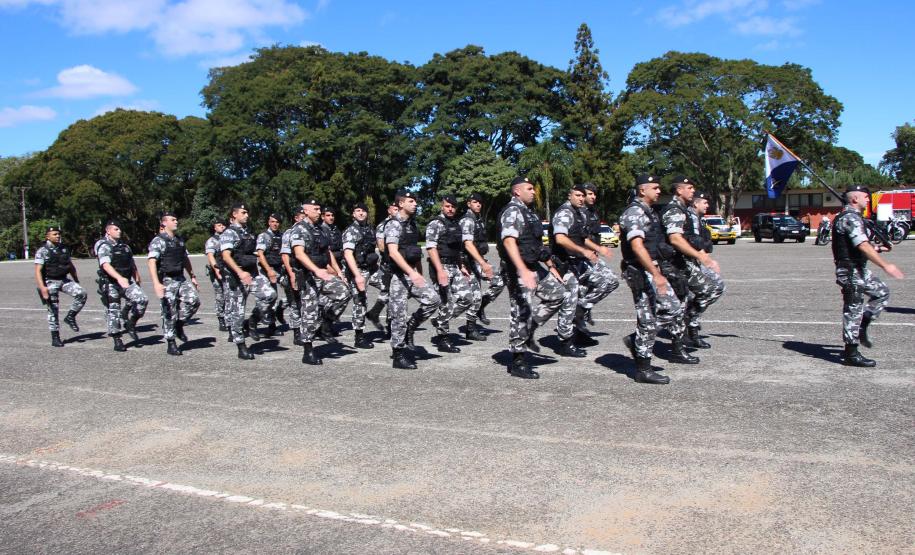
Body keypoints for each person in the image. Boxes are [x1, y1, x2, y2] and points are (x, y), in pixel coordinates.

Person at [498, 176, 579, 379]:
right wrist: (522, 270)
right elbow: (509, 242)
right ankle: (518, 360)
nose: (534, 192)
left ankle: (530, 328)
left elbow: (534, 244)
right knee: (521, 311)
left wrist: (550, 265)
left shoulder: (529, 213)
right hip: (518, 269)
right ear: (517, 191)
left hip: (535, 266)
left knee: (559, 294)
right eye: (529, 188)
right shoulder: (512, 211)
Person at [619, 174, 686, 384]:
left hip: (651, 269)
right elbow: (637, 246)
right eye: (655, 188)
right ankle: (643, 369)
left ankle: (637, 340)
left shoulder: (650, 213)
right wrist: (656, 275)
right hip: (640, 272)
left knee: (674, 308)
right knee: (649, 318)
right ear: (642, 190)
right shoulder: (634, 213)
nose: (659, 191)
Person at [832, 184, 904, 366]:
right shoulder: (849, 218)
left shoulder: (856, 217)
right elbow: (862, 245)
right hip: (850, 271)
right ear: (855, 199)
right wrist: (885, 265)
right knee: (853, 309)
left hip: (860, 269)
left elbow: (861, 245)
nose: (868, 199)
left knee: (881, 293)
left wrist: (879, 248)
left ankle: (863, 325)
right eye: (865, 196)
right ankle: (851, 353)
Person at [660, 177, 725, 353]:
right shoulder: (675, 210)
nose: (692, 190)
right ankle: (677, 343)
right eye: (689, 187)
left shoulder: (683, 211)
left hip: (684, 262)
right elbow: (676, 239)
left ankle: (689, 327)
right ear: (679, 190)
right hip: (673, 264)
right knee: (677, 305)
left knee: (712, 288)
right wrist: (701, 256)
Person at [290, 198, 352, 365]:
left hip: (322, 274)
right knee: (309, 312)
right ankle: (308, 350)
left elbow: (328, 251)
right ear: (306, 211)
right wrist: (316, 270)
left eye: (320, 209)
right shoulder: (298, 229)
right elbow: (299, 254)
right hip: (307, 275)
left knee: (344, 293)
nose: (319, 212)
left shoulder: (321, 229)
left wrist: (339, 272)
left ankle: (325, 320)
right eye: (316, 209)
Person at [385, 190, 442, 369]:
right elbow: (393, 252)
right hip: (397, 276)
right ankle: (398, 354)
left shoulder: (412, 225)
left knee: (433, 300)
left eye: (415, 201)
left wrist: (419, 273)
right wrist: (412, 273)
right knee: (398, 315)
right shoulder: (393, 225)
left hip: (411, 274)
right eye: (411, 201)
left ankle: (412, 326)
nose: (415, 204)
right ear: (401, 204)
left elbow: (414, 253)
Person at [221, 203, 277, 360]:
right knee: (237, 313)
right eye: (243, 212)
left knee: (270, 295)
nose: (247, 215)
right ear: (234, 215)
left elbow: (254, 254)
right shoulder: (229, 233)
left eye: (247, 212)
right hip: (237, 276)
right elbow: (226, 256)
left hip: (252, 273)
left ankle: (252, 321)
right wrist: (240, 272)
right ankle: (241, 345)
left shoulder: (248, 233)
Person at [568, 183, 620, 345]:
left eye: (593, 194)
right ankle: (579, 318)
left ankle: (580, 323)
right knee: (608, 282)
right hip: (579, 259)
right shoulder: (578, 212)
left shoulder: (592, 213)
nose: (592, 197)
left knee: (583, 295)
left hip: (589, 257)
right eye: (589, 194)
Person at [426, 194, 475, 352]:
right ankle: (443, 339)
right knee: (446, 302)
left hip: (454, 266)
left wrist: (462, 266)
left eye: (453, 206)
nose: (450, 209)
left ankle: (440, 320)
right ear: (442, 206)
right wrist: (440, 270)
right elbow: (431, 248)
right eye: (447, 206)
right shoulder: (435, 224)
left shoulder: (456, 224)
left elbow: (457, 249)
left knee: (468, 297)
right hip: (441, 266)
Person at [147, 212, 200, 356]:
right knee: (169, 312)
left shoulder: (179, 240)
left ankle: (179, 324)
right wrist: (156, 283)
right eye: (173, 219)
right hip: (166, 280)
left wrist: (192, 276)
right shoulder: (158, 241)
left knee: (194, 301)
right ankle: (171, 342)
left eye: (176, 219)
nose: (176, 221)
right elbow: (151, 261)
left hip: (180, 278)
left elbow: (185, 258)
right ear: (164, 224)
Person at [95, 220, 148, 351]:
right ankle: (117, 339)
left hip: (126, 280)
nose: (119, 231)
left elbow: (131, 263)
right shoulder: (103, 245)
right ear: (108, 231)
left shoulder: (125, 247)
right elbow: (105, 265)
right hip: (111, 283)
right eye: (116, 229)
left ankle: (131, 323)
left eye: (119, 229)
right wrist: (119, 278)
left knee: (142, 299)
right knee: (114, 310)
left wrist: (136, 276)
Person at [34, 225, 87, 347]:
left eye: (58, 234)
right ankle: (55, 337)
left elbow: (70, 266)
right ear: (47, 236)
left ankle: (70, 316)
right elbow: (37, 271)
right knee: (53, 309)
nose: (57, 236)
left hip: (63, 279)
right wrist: (43, 288)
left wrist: (76, 280)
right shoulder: (42, 251)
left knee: (82, 293)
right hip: (50, 281)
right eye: (54, 234)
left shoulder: (64, 249)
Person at [459, 192, 502, 334]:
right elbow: (467, 245)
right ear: (468, 204)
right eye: (474, 202)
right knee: (474, 296)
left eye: (479, 202)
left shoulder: (478, 219)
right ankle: (469, 328)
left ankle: (481, 306)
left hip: (478, 261)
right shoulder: (467, 220)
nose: (478, 204)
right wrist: (482, 263)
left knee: (499, 280)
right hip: (469, 262)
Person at [341, 202, 380, 349]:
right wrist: (357, 276)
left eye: (363, 211)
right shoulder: (351, 231)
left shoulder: (370, 229)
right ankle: (359, 336)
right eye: (358, 211)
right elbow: (348, 254)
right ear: (353, 214)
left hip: (372, 269)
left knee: (389, 287)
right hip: (357, 270)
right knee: (360, 302)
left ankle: (377, 313)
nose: (361, 213)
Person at [366, 201, 399, 337]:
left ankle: (376, 314)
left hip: (397, 264)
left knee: (392, 293)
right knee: (392, 291)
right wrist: (395, 253)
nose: (397, 211)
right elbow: (380, 246)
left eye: (398, 208)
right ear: (389, 210)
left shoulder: (401, 224)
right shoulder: (383, 225)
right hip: (388, 264)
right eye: (394, 208)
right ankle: (389, 324)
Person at [255, 213, 286, 337]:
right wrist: (269, 270)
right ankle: (262, 324)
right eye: (273, 221)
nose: (275, 224)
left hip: (279, 269)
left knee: (292, 292)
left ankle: (279, 312)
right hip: (267, 270)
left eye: (277, 222)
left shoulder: (282, 236)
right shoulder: (264, 236)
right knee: (269, 298)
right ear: (269, 222)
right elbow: (260, 254)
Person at [280, 207, 306, 346]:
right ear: (296, 218)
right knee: (295, 303)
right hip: (293, 272)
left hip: (306, 273)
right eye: (302, 216)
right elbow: (285, 255)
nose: (304, 219)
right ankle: (297, 333)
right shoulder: (289, 233)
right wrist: (291, 274)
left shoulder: (308, 231)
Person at [204, 219, 228, 332]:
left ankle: (230, 318)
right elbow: (210, 256)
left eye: (223, 225)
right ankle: (221, 318)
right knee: (220, 296)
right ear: (215, 227)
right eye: (219, 225)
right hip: (217, 271)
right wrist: (216, 270)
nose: (222, 227)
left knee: (230, 295)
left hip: (228, 271)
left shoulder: (228, 238)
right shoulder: (212, 241)